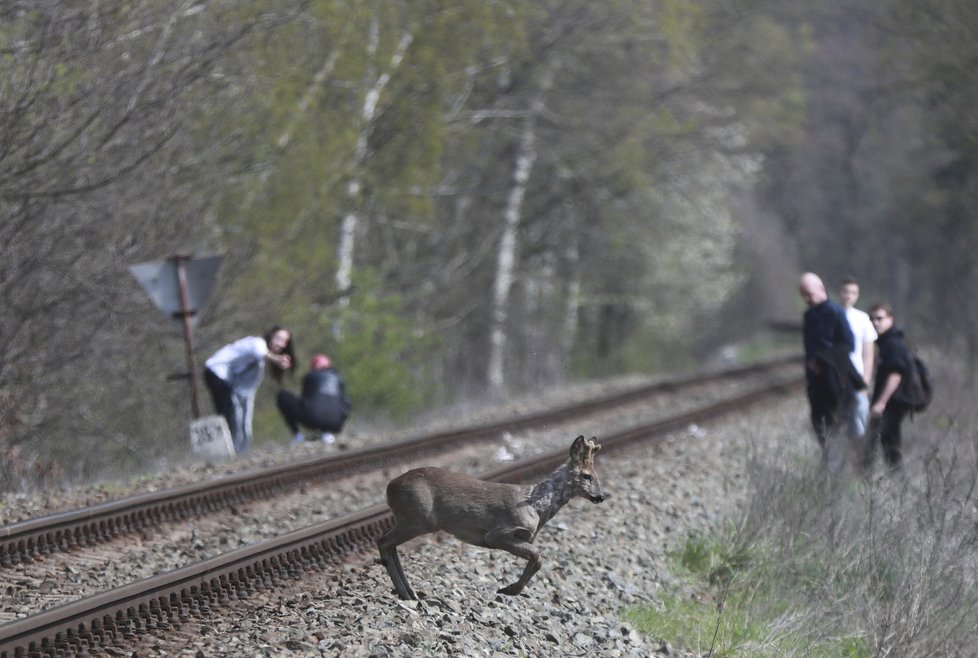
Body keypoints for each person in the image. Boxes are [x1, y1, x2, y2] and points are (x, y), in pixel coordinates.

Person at [799, 272, 857, 474]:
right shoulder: (808, 316)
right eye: (803, 295)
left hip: (836, 380)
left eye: (809, 293)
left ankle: (836, 470)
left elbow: (848, 344)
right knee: (819, 423)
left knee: (837, 424)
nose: (807, 299)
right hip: (815, 382)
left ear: (821, 289)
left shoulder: (835, 312)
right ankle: (829, 463)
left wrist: (825, 361)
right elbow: (808, 347)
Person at [203, 326, 295, 454]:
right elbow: (260, 352)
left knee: (227, 414)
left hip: (219, 376)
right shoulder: (257, 342)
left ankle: (228, 450)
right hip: (216, 371)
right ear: (270, 336)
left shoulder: (258, 360)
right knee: (229, 414)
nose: (281, 344)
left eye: (285, 341)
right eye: (278, 338)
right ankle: (225, 451)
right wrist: (277, 359)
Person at [863, 303, 915, 473]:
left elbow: (895, 375)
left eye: (880, 318)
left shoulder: (893, 343)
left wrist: (881, 403)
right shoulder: (885, 342)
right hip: (888, 403)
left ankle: (897, 485)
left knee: (890, 444)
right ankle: (876, 482)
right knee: (882, 443)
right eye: (872, 319)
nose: (875, 322)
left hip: (892, 403)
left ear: (890, 319)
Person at [276, 353, 351, 444]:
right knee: (342, 402)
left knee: (283, 395)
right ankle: (327, 433)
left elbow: (306, 398)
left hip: (313, 418)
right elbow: (345, 403)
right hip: (336, 424)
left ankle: (297, 436)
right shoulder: (339, 378)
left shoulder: (310, 376)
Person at [839, 277, 877, 440]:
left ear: (857, 296)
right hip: (836, 376)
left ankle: (857, 455)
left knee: (859, 416)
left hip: (856, 376)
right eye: (846, 291)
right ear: (840, 292)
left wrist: (865, 381)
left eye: (853, 292)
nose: (849, 295)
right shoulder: (832, 314)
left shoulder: (862, 319)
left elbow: (868, 354)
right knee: (838, 419)